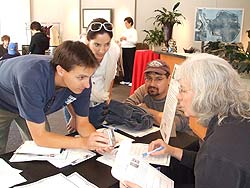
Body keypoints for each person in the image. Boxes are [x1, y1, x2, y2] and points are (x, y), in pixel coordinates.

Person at [122, 53, 250, 187]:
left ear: (204, 93)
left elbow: (212, 162)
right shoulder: (234, 120)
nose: (178, 96)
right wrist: (172, 151)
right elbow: (205, 162)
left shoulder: (217, 152)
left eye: (182, 90)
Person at [0, 40, 113, 154]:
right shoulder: (32, 78)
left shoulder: (83, 82)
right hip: (3, 100)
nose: (87, 84)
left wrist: (96, 141)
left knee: (43, 151)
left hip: (29, 97)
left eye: (90, 76)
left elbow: (83, 123)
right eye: (81, 77)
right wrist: (83, 142)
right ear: (60, 70)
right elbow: (41, 138)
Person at [64, 18, 120, 131]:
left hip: (99, 104)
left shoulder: (114, 51)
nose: (102, 50)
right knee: (78, 141)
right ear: (88, 41)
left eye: (107, 44)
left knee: (98, 139)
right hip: (76, 106)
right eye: (97, 45)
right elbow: (65, 88)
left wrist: (108, 96)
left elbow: (111, 75)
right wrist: (74, 116)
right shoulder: (75, 54)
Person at [125, 59, 192, 135]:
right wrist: (159, 117)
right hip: (151, 136)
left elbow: (175, 124)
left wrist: (146, 110)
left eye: (158, 79)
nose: (152, 84)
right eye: (148, 78)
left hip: (182, 140)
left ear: (169, 79)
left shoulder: (178, 95)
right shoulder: (144, 89)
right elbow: (125, 108)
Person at [119, 17, 138, 87]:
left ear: (130, 23)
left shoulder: (133, 31)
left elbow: (135, 41)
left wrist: (126, 39)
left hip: (131, 48)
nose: (125, 25)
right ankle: (126, 79)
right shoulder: (124, 31)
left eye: (126, 23)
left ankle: (131, 80)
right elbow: (122, 40)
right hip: (124, 48)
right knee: (125, 64)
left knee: (130, 65)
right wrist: (121, 40)